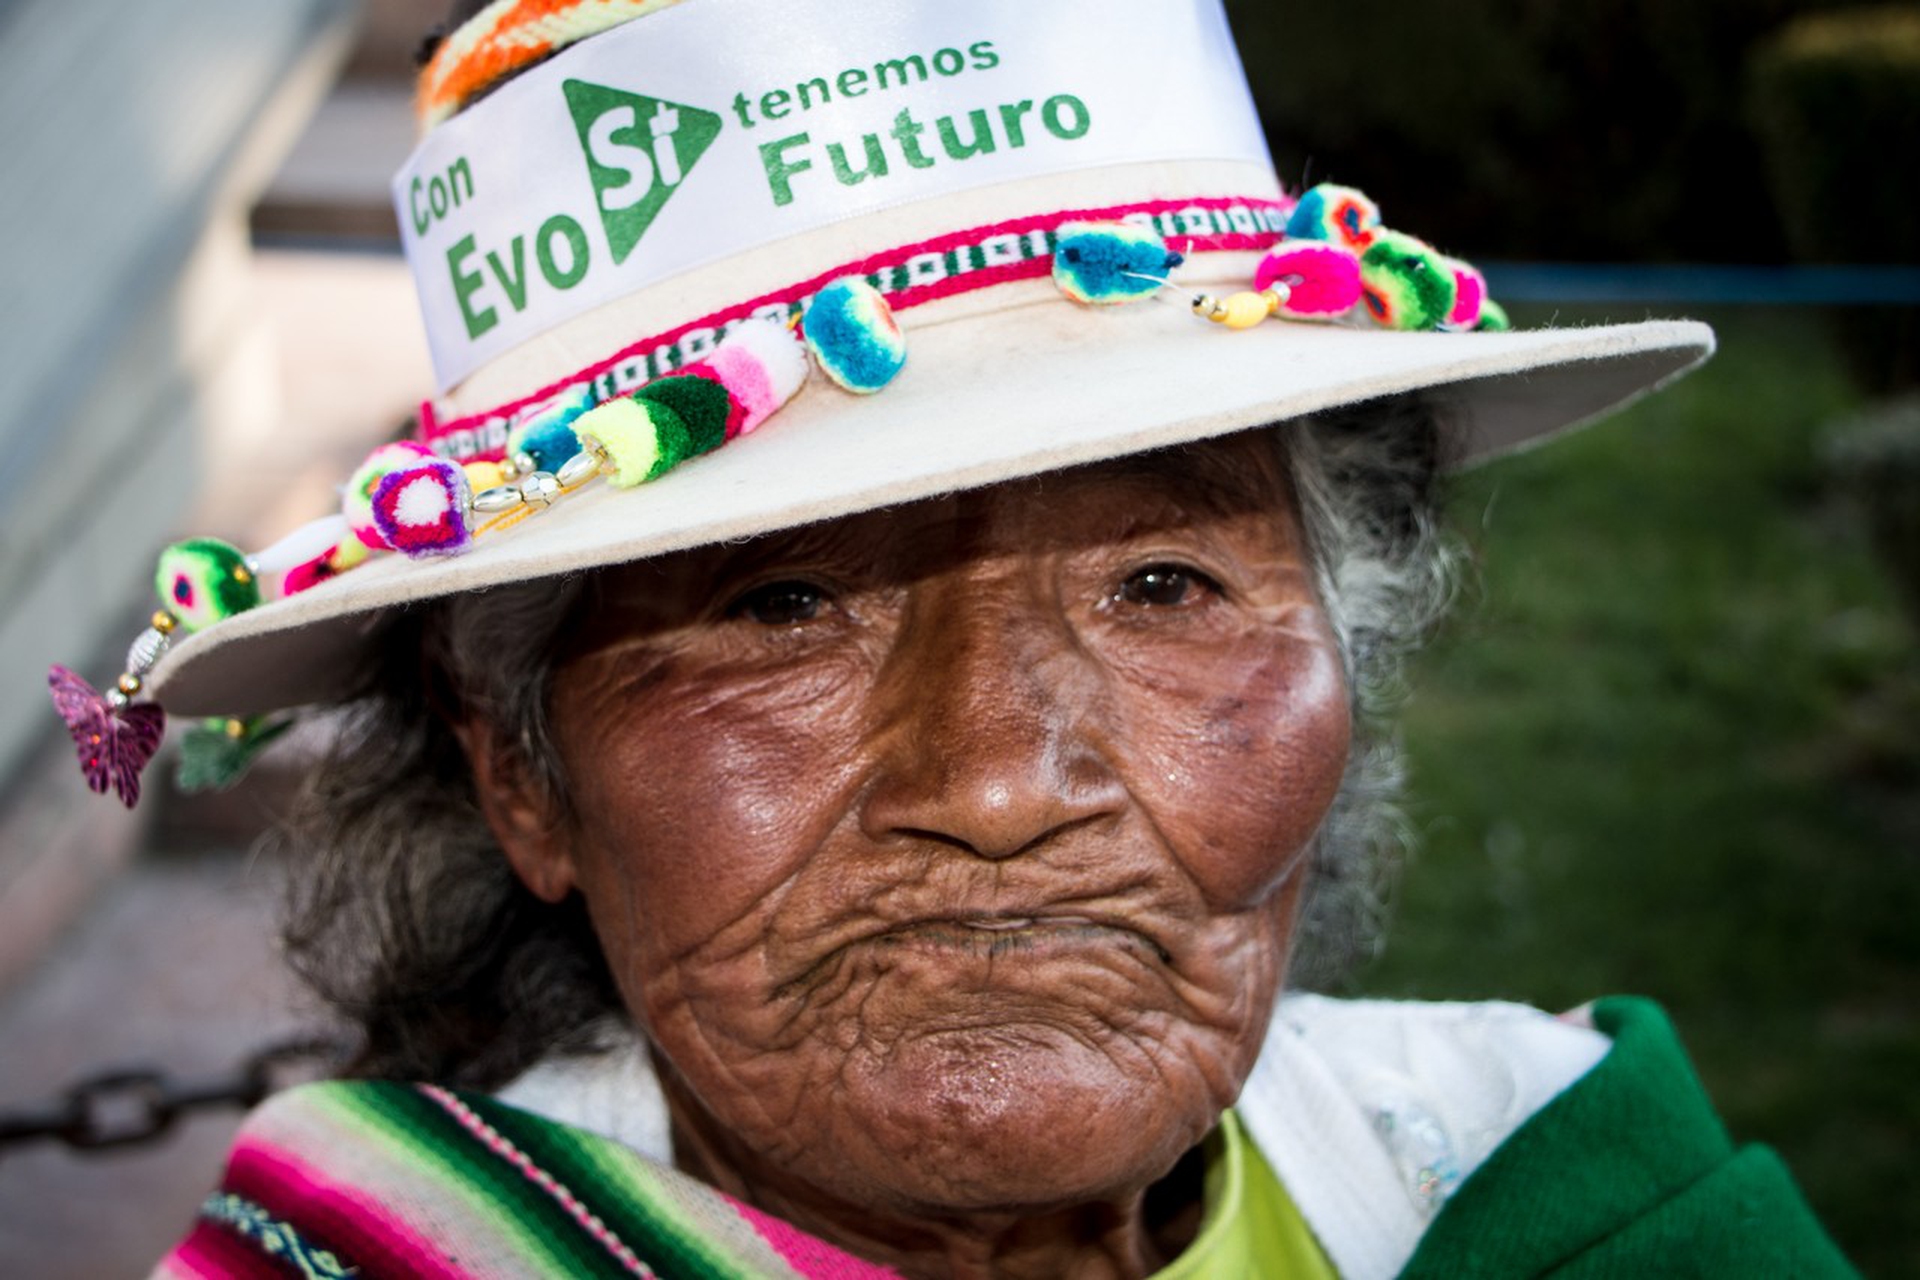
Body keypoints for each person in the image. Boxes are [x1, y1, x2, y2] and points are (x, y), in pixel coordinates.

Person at [43, 0, 1851, 1275]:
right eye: (782, 604)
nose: (996, 781)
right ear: (519, 769)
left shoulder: (1566, 1190)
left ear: (1344, 664)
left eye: (1163, 588)